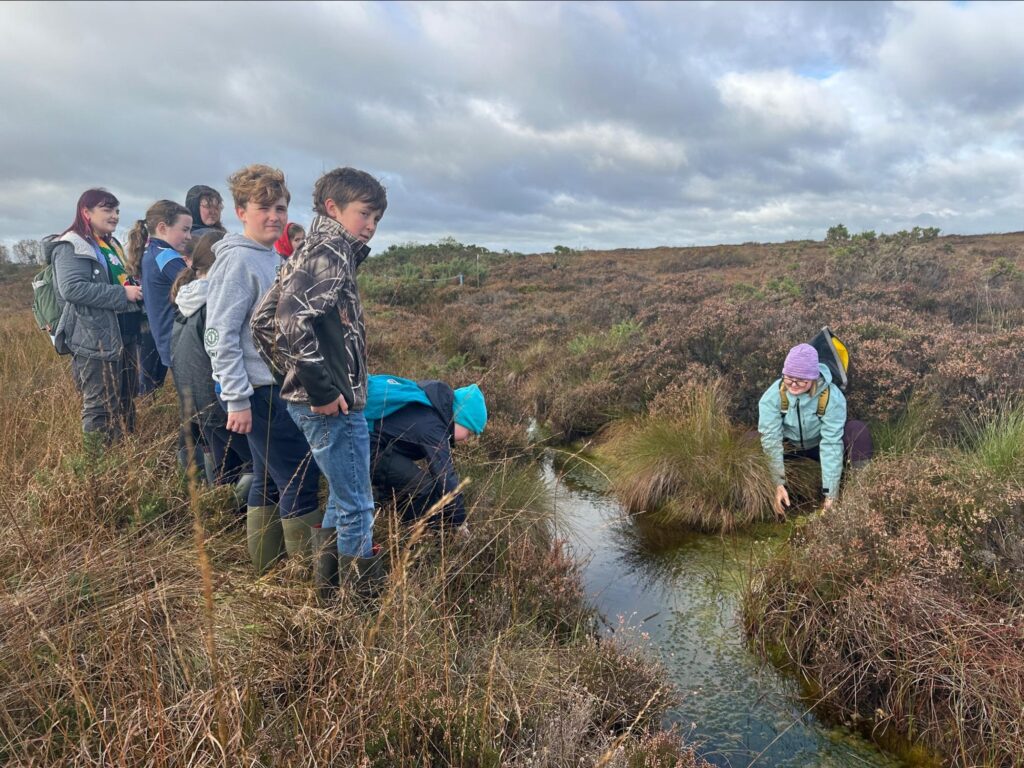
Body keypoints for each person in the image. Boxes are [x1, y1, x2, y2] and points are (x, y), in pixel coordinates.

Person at [252, 166, 386, 593]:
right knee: (357, 507)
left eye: (377, 219)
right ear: (333, 208)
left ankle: (326, 595)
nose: (370, 226)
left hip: (321, 402)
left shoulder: (309, 249)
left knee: (342, 504)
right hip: (332, 405)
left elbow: (262, 323)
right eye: (364, 214)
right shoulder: (330, 251)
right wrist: (321, 390)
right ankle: (355, 610)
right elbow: (290, 321)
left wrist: (292, 383)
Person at [204, 164, 321, 574]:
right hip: (260, 392)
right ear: (240, 210)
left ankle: (267, 568)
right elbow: (218, 335)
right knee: (299, 479)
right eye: (264, 207)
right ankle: (308, 579)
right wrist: (236, 399)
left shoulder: (271, 257)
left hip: (275, 387)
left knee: (270, 479)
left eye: (281, 207)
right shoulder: (236, 263)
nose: (275, 215)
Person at [51, 189, 143, 447]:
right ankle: (95, 469)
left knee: (125, 400)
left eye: (116, 211)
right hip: (95, 337)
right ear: (86, 212)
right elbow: (72, 289)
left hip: (124, 332)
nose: (114, 216)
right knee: (100, 407)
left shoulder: (110, 243)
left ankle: (126, 458)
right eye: (107, 210)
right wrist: (122, 293)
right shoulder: (72, 245)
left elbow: (118, 278)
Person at [170, 231, 253, 496]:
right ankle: (239, 510)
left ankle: (218, 508)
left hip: (194, 400)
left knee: (223, 461)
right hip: (217, 401)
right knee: (255, 462)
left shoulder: (187, 299)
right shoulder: (214, 303)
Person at [758, 343, 872, 518]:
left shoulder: (831, 397)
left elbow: (831, 444)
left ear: (813, 378)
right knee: (749, 441)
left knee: (857, 430)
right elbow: (771, 439)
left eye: (801, 380)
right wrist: (777, 483)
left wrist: (830, 496)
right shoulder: (773, 395)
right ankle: (762, 498)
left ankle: (862, 492)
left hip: (818, 446)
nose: (793, 384)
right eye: (789, 378)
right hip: (789, 447)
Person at [366, 375, 486, 533]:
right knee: (423, 487)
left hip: (371, 442)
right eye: (469, 432)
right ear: (461, 418)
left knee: (413, 479)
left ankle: (379, 504)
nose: (466, 440)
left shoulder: (431, 405)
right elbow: (444, 475)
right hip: (365, 446)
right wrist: (460, 521)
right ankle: (410, 537)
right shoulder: (433, 426)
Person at [127, 201, 193, 387]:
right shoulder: (167, 257)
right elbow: (196, 290)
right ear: (162, 228)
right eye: (185, 230)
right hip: (180, 341)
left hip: (164, 337)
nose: (189, 237)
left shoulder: (151, 252)